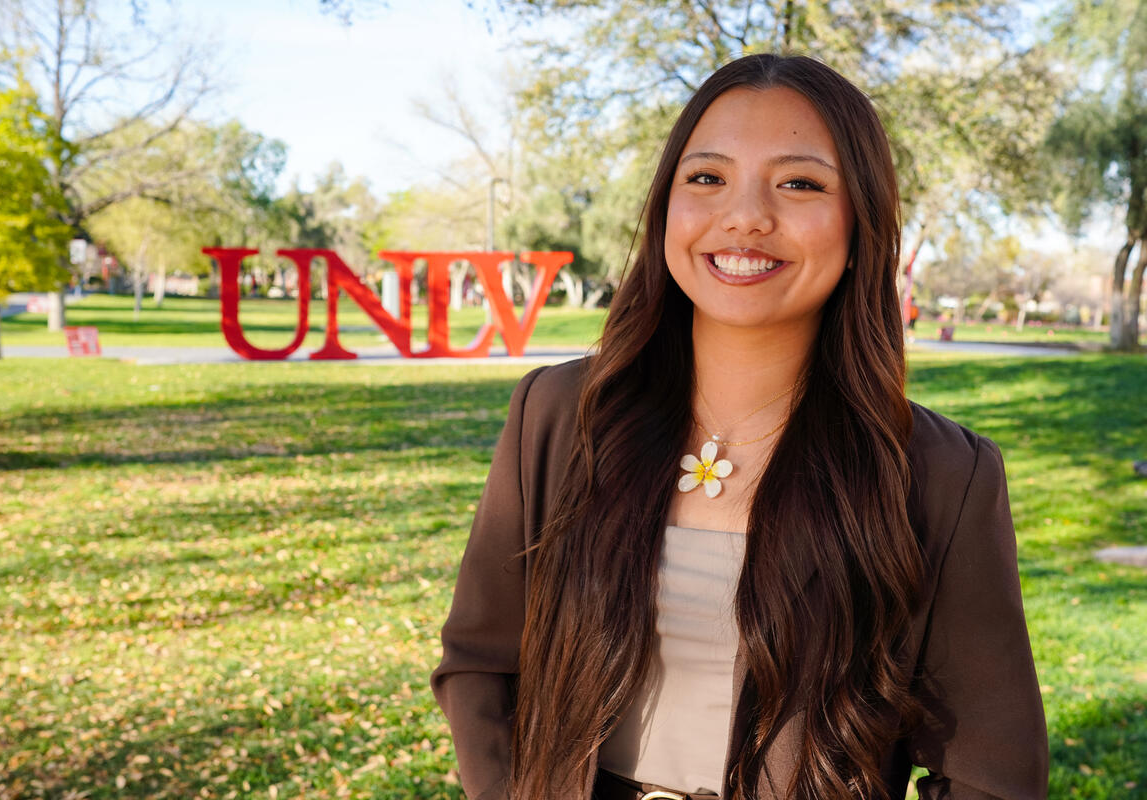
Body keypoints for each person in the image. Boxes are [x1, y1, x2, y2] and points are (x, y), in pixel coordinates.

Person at [431, 53, 1047, 800]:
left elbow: (992, 775)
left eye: (799, 183)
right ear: (666, 208)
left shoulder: (941, 476)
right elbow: (481, 661)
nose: (746, 216)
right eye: (707, 178)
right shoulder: (557, 417)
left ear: (861, 229)